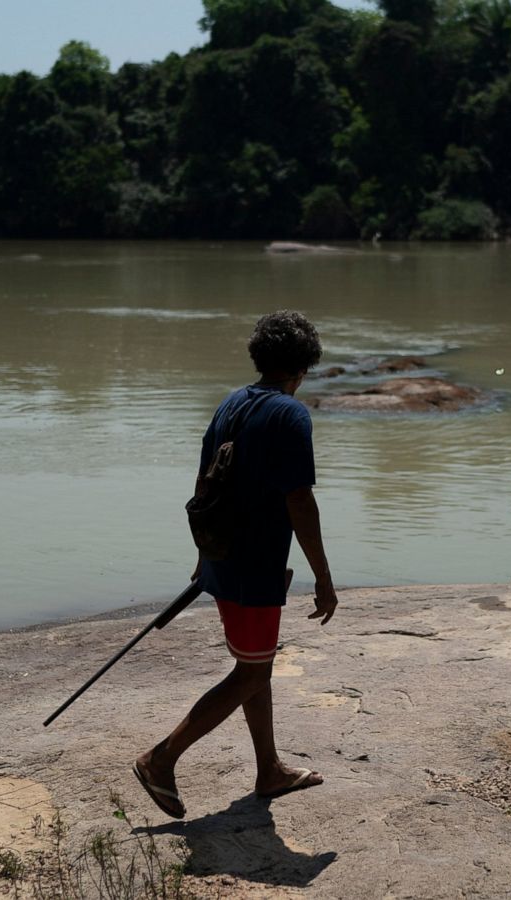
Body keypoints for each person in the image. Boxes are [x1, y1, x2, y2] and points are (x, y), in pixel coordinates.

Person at [132, 310, 340, 819]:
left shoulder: (231, 403)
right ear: (305, 367)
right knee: (250, 673)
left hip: (224, 558)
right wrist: (324, 578)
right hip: (254, 565)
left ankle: (268, 770)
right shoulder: (291, 416)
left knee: (256, 666)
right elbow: (300, 503)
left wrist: (203, 559)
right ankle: (161, 759)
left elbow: (205, 486)